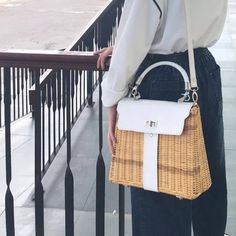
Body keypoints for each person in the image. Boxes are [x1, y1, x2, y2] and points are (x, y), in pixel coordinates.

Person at [96, 0, 228, 235]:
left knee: (159, 208)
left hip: (164, 79)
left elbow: (140, 23)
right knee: (207, 193)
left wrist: (111, 99)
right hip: (203, 69)